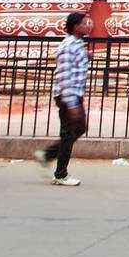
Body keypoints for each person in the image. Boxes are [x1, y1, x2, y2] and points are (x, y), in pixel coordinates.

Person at [35, 11, 90, 186]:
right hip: (69, 95)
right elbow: (65, 75)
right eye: (84, 23)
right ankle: (60, 173)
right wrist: (71, 102)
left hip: (74, 94)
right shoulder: (68, 46)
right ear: (75, 27)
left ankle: (48, 155)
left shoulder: (77, 44)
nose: (88, 25)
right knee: (69, 133)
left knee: (78, 128)